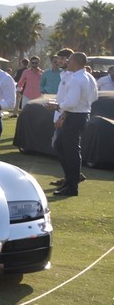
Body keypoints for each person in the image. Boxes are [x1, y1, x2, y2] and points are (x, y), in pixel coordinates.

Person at [49, 52, 99, 197]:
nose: (67, 62)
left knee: (71, 151)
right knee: (60, 145)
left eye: (70, 60)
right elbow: (94, 97)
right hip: (82, 114)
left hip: (75, 116)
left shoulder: (76, 79)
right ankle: (70, 180)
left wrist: (57, 106)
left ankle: (72, 186)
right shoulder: (88, 77)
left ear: (75, 62)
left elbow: (71, 103)